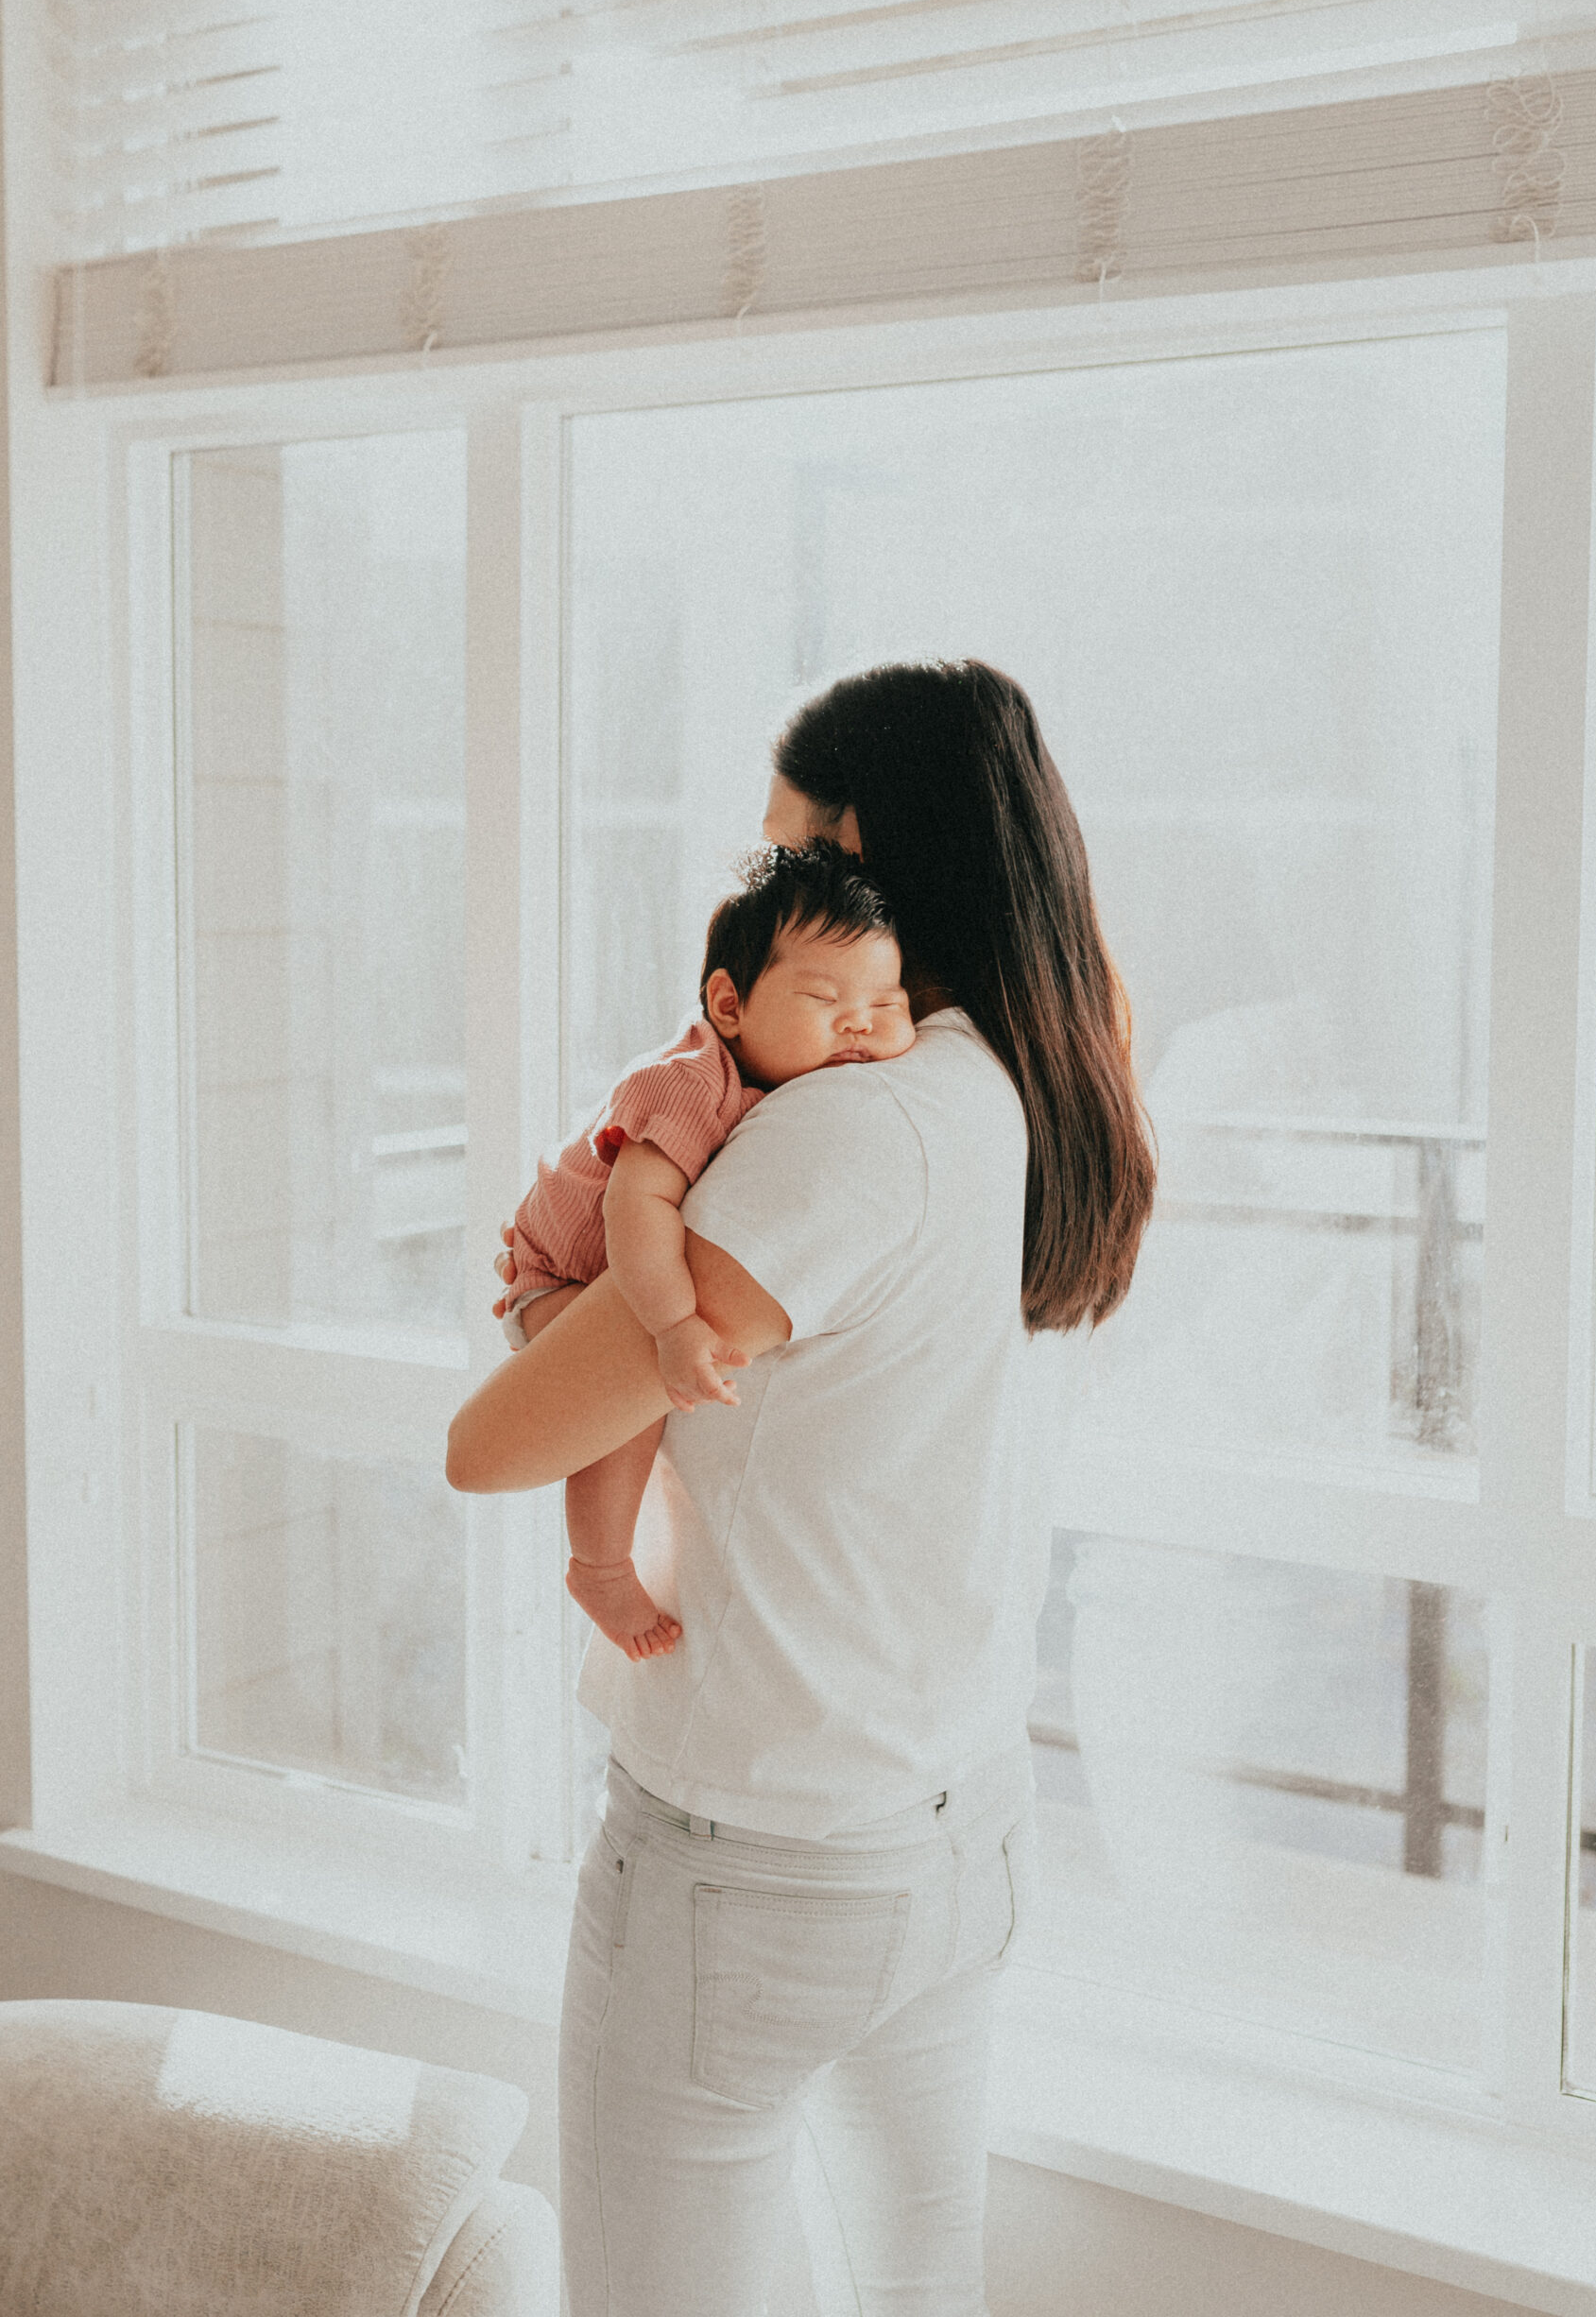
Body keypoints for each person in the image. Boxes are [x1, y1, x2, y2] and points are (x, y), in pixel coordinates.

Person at [447, 658, 1155, 2317]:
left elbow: (494, 1444)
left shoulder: (850, 1132)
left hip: (752, 1863)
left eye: (786, 854)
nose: (766, 891)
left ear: (870, 858)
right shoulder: (1044, 1076)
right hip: (957, 1822)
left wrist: (553, 1300)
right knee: (923, 2286)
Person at [497, 842, 914, 1662]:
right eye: (823, 997)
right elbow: (636, 1202)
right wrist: (673, 1320)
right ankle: (599, 1566)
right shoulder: (692, 1081)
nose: (858, 1023)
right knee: (626, 1413)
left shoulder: (794, 1087)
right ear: (729, 1004)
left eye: (886, 1003)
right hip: (562, 1274)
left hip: (601, 1267)